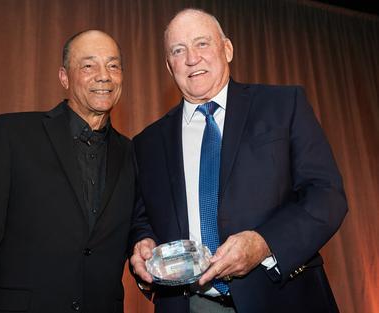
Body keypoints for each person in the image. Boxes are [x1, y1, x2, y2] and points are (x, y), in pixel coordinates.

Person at [130, 8, 347, 313]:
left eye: (202, 43)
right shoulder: (146, 143)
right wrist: (143, 243)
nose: (192, 58)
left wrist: (264, 243)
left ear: (227, 49)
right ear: (169, 66)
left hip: (283, 297)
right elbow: (143, 219)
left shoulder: (283, 105)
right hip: (191, 304)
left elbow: (327, 194)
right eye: (179, 50)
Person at [0, 30, 135, 313]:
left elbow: (136, 236)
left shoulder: (133, 153)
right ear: (64, 77)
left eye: (113, 65)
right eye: (88, 65)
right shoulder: (13, 134)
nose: (103, 75)